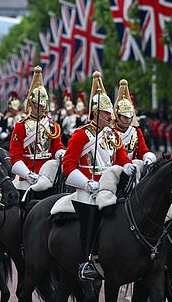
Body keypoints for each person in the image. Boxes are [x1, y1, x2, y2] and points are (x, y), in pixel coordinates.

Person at [62, 71, 133, 280]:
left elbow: (121, 159)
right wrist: (86, 183)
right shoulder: (81, 134)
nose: (110, 117)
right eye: (105, 113)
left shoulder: (112, 135)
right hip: (88, 186)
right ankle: (88, 260)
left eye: (110, 113)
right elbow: (68, 164)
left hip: (109, 184)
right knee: (91, 215)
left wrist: (129, 167)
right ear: (95, 113)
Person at [9, 66, 65, 193]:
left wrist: (62, 153)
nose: (42, 108)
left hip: (49, 173)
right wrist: (27, 174)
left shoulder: (52, 125)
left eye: (44, 104)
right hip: (28, 173)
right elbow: (15, 156)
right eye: (39, 105)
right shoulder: (21, 126)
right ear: (31, 104)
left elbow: (57, 147)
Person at [112, 79, 156, 164]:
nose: (128, 120)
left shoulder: (136, 131)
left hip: (133, 168)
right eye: (125, 117)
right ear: (118, 116)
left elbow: (143, 151)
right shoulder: (110, 131)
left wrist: (148, 158)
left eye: (130, 117)